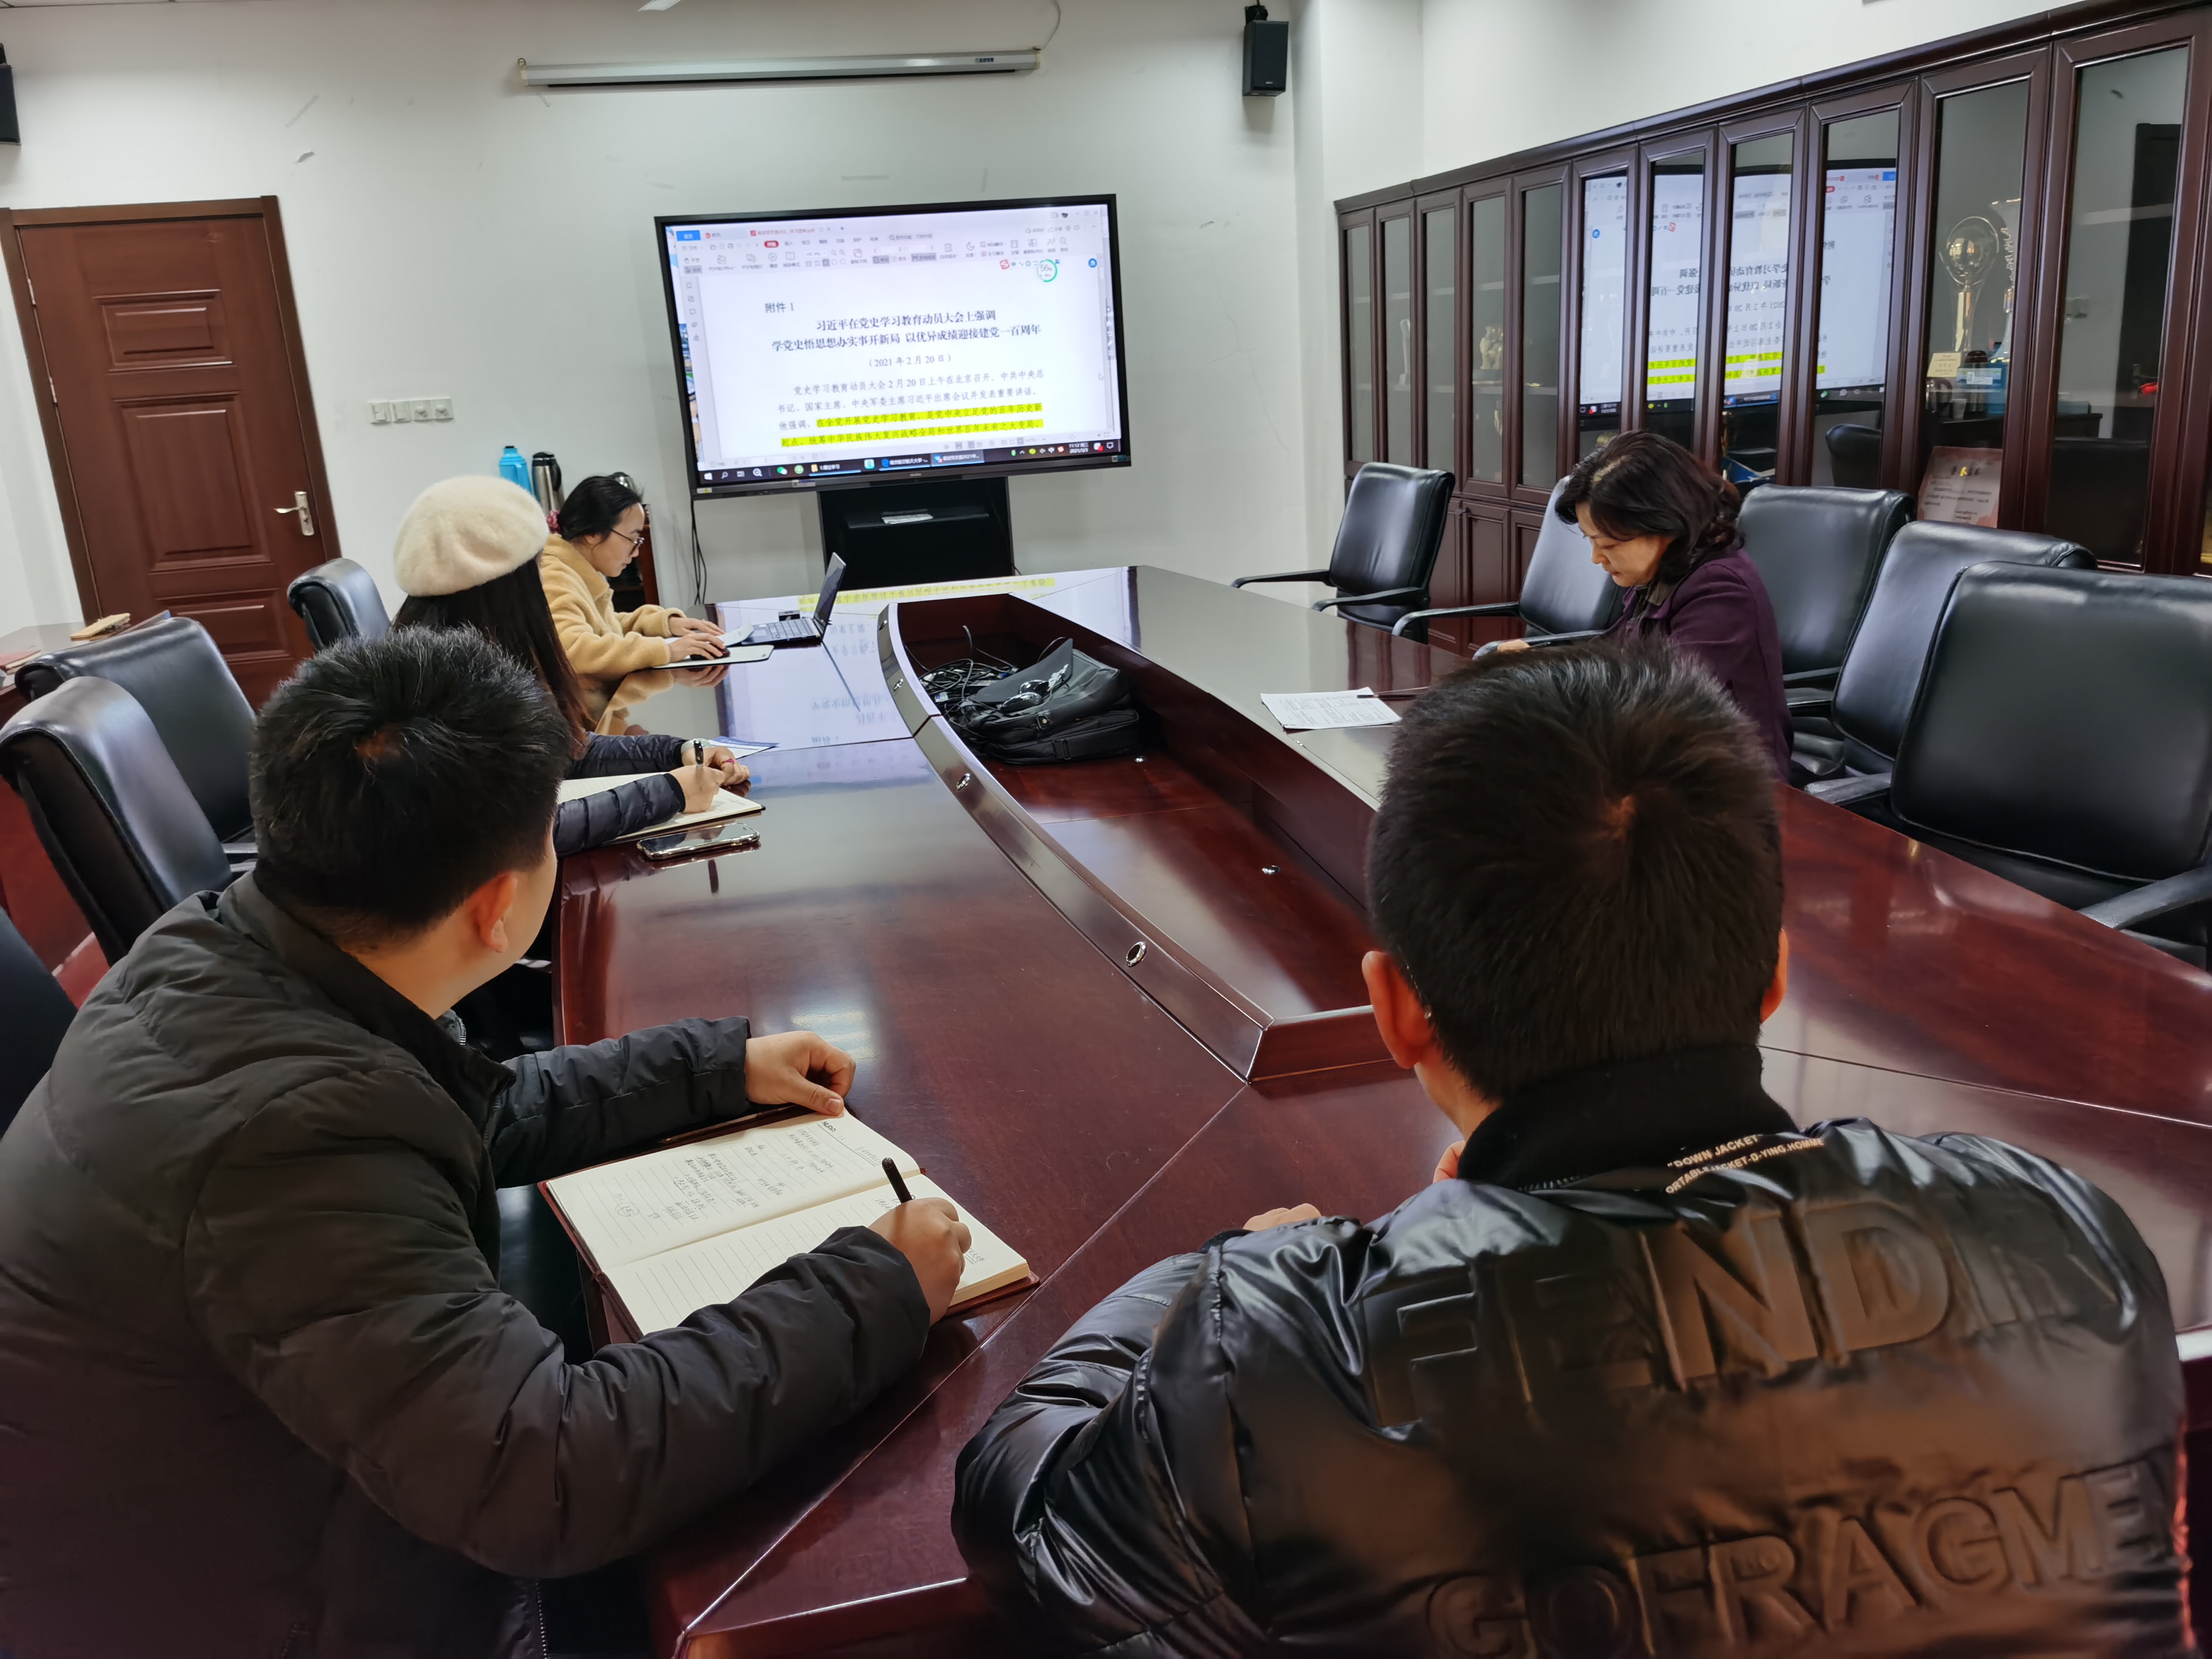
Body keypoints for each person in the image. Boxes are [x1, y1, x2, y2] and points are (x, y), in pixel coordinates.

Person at [953, 643, 2186, 1656]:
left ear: (1396, 1012)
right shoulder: (2058, 1225)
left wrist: (1222, 1272)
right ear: (1772, 978)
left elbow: (1024, 1516)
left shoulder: (1285, 1352)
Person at [0, 627, 971, 1658]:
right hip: (238, 1601)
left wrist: (715, 1068)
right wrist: (873, 1289)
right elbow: (544, 1478)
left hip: (243, 1493)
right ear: (500, 906)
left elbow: (462, 1110)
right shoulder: (287, 1140)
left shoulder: (224, 948)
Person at [392, 474, 739, 856]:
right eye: (534, 570)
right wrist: (670, 792)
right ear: (510, 588)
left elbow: (566, 750)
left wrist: (678, 752)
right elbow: (531, 833)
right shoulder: (459, 691)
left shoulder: (451, 658)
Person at [1504, 430, 1791, 777]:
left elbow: (1663, 695)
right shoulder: (1665, 570)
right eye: (1592, 542)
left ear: (1665, 523)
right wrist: (1538, 663)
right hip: (1659, 755)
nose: (1597, 558)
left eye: (1609, 544)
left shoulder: (1722, 588)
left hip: (1728, 776)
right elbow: (1617, 653)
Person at [543, 473, 726, 722]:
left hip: (595, 725)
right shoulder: (554, 576)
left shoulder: (574, 568)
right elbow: (574, 650)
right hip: (578, 735)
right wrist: (666, 651)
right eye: (632, 538)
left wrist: (665, 625)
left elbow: (604, 627)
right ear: (592, 534)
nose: (636, 551)